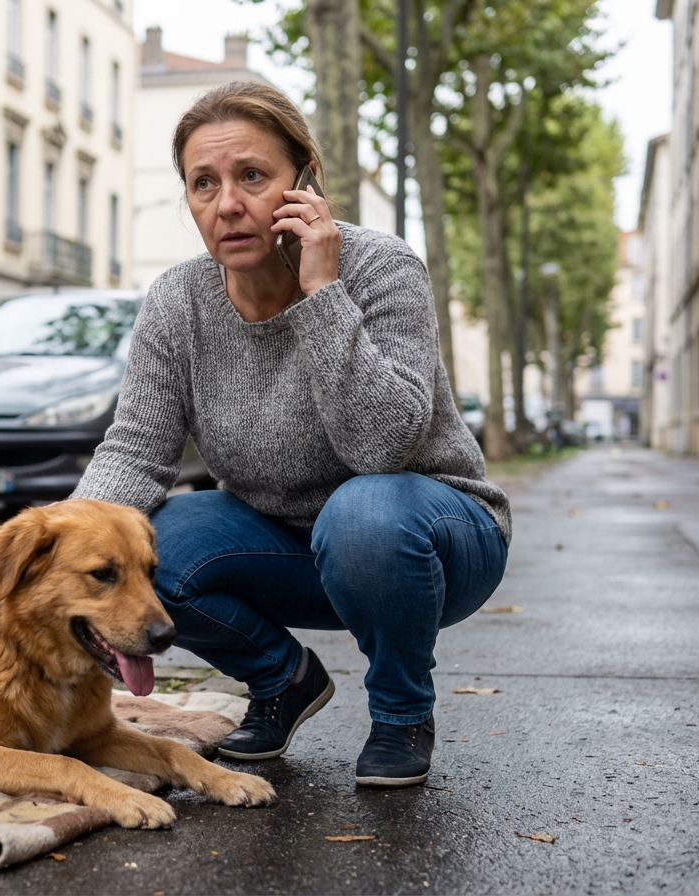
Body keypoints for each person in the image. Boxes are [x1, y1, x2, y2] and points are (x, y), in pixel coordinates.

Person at [72, 80, 510, 788]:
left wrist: (321, 294)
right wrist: (54, 545)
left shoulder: (382, 269)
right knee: (161, 543)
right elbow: (134, 452)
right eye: (203, 184)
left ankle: (401, 712)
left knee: (363, 510)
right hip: (290, 550)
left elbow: (382, 449)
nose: (228, 205)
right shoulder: (177, 302)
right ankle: (283, 680)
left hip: (429, 539)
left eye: (252, 176)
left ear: (306, 179)